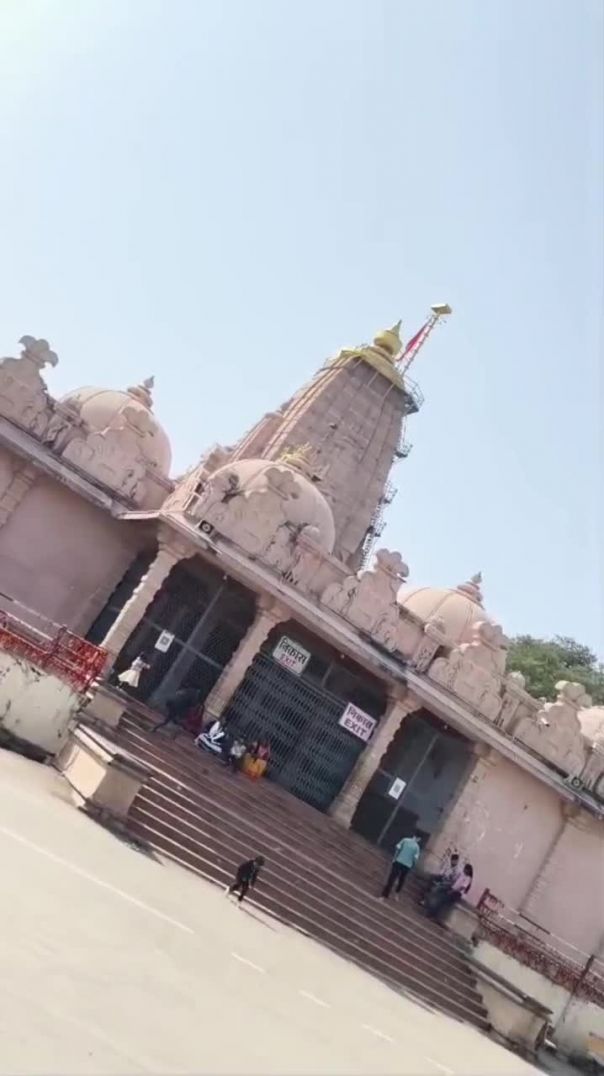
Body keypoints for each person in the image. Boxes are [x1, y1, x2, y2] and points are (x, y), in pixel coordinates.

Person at [380, 833, 421, 900]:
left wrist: (394, 858)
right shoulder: (417, 847)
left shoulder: (405, 840)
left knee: (392, 879)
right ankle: (396, 893)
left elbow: (397, 848)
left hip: (399, 862)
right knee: (401, 880)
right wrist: (413, 865)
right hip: (406, 865)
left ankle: (385, 895)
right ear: (418, 839)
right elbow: (415, 859)